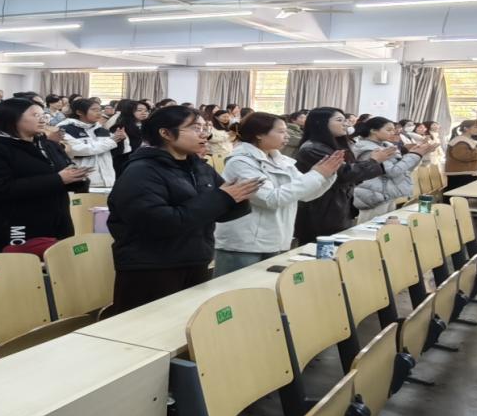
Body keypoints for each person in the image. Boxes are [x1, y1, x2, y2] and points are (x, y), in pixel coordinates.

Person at [107, 105, 258, 314]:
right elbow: (162, 223)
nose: (204, 134)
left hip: (195, 260)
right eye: (195, 128)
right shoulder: (141, 172)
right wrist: (223, 197)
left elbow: (220, 212)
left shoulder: (199, 166)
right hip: (152, 268)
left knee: (189, 325)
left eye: (205, 128)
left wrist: (239, 197)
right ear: (166, 133)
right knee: (151, 329)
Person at [214, 112, 342, 276]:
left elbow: (305, 195)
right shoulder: (240, 162)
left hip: (275, 238)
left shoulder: (281, 161)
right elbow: (271, 199)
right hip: (244, 244)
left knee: (267, 289)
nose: (287, 136)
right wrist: (316, 175)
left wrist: (326, 175)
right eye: (281, 131)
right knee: (237, 289)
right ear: (259, 134)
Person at [0, 98, 89, 254]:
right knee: (18, 266)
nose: (43, 119)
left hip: (55, 220)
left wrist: (77, 179)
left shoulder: (48, 145)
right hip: (13, 224)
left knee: (55, 263)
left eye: (43, 115)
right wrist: (58, 179)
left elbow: (61, 174)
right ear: (12, 117)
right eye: (35, 115)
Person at [293, 107, 394, 244]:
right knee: (321, 248)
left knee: (338, 247)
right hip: (321, 209)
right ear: (321, 123)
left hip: (339, 205)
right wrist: (373, 161)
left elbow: (351, 173)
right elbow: (343, 174)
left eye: (345, 120)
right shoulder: (312, 148)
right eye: (339, 120)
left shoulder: (333, 145)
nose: (346, 124)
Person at [351, 117, 436, 224]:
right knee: (371, 228)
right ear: (373, 130)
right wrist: (414, 155)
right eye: (389, 130)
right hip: (373, 195)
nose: (393, 132)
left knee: (388, 228)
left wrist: (418, 154)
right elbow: (392, 172)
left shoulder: (386, 146)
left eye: (393, 129)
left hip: (387, 193)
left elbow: (404, 169)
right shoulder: (368, 149)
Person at [57, 98, 122, 188]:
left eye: (100, 110)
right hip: (83, 180)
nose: (99, 113)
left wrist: (121, 139)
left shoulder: (101, 129)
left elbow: (115, 152)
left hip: (107, 180)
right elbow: (78, 150)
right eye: (94, 110)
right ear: (79, 112)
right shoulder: (64, 129)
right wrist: (112, 141)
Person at [108, 99, 148, 177]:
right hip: (126, 164)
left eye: (146, 110)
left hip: (144, 162)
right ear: (129, 111)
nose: (144, 113)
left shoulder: (148, 126)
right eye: (139, 110)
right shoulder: (120, 126)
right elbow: (117, 152)